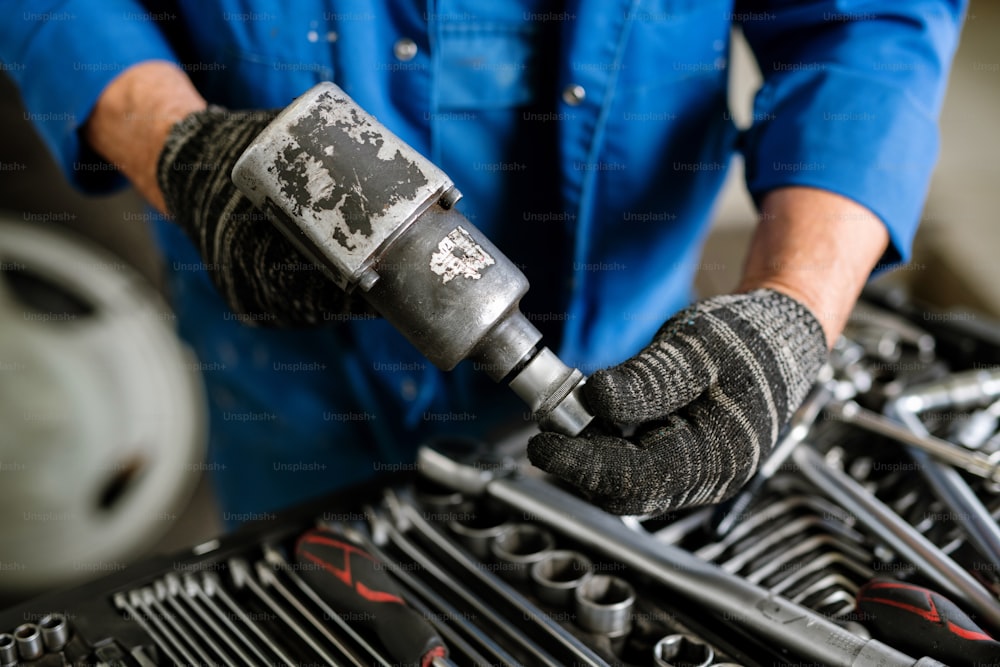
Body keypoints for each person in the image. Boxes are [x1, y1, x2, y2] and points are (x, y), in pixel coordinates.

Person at [1, 1, 966, 522]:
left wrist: (797, 302)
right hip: (288, 370)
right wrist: (176, 147)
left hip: (630, 341)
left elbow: (870, 18)